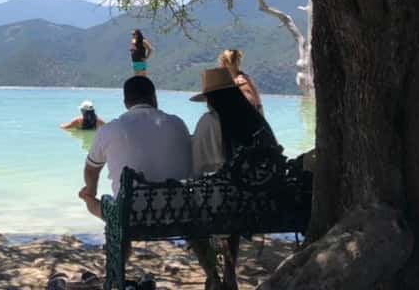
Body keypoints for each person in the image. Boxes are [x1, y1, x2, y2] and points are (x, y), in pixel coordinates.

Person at [188, 67, 279, 288]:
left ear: (210, 99)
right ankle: (230, 270)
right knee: (231, 195)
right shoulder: (256, 121)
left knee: (193, 210)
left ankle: (213, 275)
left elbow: (197, 168)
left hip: (227, 204)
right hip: (261, 203)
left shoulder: (209, 122)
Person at [78, 76, 191, 218]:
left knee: (89, 199)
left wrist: (91, 191)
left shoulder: (110, 129)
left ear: (126, 103)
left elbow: (90, 170)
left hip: (131, 217)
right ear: (154, 98)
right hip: (178, 213)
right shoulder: (178, 123)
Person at [218, 49, 264, 115]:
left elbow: (251, 102)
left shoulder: (240, 81)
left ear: (225, 64)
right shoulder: (244, 78)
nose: (220, 66)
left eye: (222, 63)